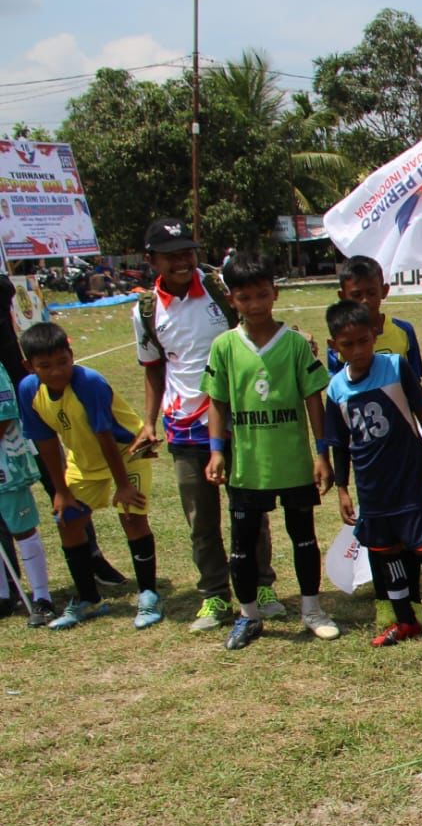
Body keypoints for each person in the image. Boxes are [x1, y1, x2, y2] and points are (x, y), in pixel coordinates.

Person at [130, 218, 273, 630]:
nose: (182, 260)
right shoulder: (144, 310)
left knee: (250, 510)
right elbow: (154, 370)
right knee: (201, 518)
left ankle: (262, 586)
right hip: (185, 425)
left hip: (238, 418)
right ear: (150, 259)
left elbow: (256, 327)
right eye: (171, 254)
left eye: (187, 251)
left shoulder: (219, 287)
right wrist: (149, 422)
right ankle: (214, 595)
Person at [202, 254, 338, 649]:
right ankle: (248, 615)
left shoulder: (295, 344)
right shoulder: (224, 346)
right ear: (233, 301)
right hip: (248, 465)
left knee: (304, 538)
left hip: (293, 462)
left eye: (262, 295)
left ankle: (311, 609)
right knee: (242, 546)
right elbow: (217, 403)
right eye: (245, 298)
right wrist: (216, 451)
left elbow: (314, 398)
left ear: (275, 293)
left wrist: (321, 453)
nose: (256, 304)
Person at [324, 300, 422, 650]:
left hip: (408, 482)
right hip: (372, 489)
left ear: (374, 335)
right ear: (333, 346)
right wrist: (342, 488)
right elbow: (340, 443)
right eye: (347, 344)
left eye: (363, 340)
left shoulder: (395, 367)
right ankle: (405, 619)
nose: (357, 350)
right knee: (388, 554)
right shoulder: (336, 389)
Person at [18, 322, 163, 630]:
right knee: (68, 520)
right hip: (84, 460)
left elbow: (105, 435)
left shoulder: (89, 382)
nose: (57, 371)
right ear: (29, 366)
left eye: (63, 362)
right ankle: (88, 598)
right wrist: (61, 491)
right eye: (45, 366)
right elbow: (45, 443)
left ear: (72, 356)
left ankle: (149, 594)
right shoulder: (28, 391)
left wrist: (123, 485)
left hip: (127, 451)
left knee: (132, 515)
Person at [0, 359, 55, 625]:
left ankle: (42, 598)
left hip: (6, 465)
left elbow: (5, 414)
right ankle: (3, 596)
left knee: (22, 526)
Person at [326, 255, 422, 379]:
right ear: (342, 296)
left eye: (371, 293)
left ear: (384, 291)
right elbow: (340, 386)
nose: (365, 300)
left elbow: (415, 381)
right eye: (357, 295)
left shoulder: (404, 331)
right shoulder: (341, 340)